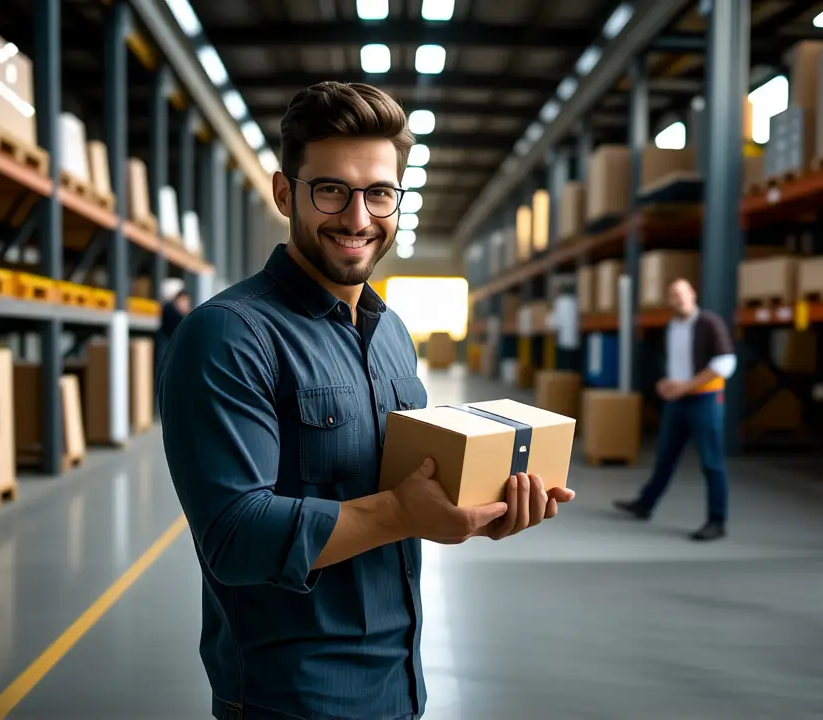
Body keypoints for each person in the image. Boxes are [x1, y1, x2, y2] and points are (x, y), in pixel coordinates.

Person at [158, 81, 576, 720]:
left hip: (398, 681)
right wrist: (403, 515)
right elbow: (233, 536)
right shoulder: (228, 334)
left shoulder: (390, 334)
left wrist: (475, 508)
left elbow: (403, 486)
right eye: (330, 190)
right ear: (283, 192)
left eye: (379, 193)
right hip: (292, 697)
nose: (358, 218)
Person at [613, 278, 735, 541]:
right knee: (665, 458)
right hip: (678, 402)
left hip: (705, 399)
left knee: (712, 462)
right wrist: (667, 384)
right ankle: (645, 504)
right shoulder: (672, 326)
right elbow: (677, 364)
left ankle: (717, 521)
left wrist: (687, 386)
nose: (678, 299)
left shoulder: (708, 323)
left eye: (682, 293)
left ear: (692, 294)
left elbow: (725, 363)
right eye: (673, 295)